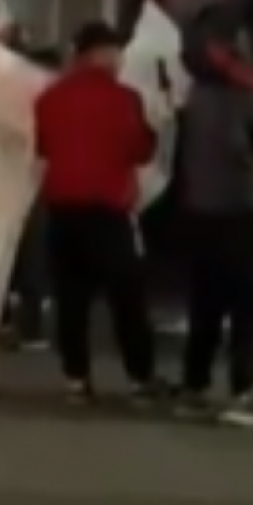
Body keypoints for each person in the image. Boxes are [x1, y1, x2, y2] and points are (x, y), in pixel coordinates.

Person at [173, 0, 253, 425]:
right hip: (245, 211)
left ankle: (193, 387)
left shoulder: (197, 93)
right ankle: (241, 393)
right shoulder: (248, 93)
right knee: (251, 305)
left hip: (201, 209)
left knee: (206, 304)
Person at [33, 21, 163, 403]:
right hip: (108, 210)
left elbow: (42, 146)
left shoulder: (50, 97)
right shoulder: (124, 98)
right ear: (101, 54)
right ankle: (140, 377)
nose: (121, 59)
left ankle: (76, 378)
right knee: (128, 296)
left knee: (71, 298)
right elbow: (140, 151)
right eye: (116, 51)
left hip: (61, 208)